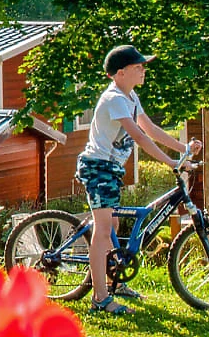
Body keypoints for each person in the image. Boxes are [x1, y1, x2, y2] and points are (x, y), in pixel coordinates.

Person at [76, 45, 201, 314]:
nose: (144, 70)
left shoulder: (130, 96)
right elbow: (140, 137)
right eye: (138, 67)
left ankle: (114, 282)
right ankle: (100, 299)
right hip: (98, 167)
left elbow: (151, 128)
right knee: (102, 231)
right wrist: (171, 163)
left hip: (111, 169)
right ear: (120, 73)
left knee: (113, 224)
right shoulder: (115, 99)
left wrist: (184, 150)